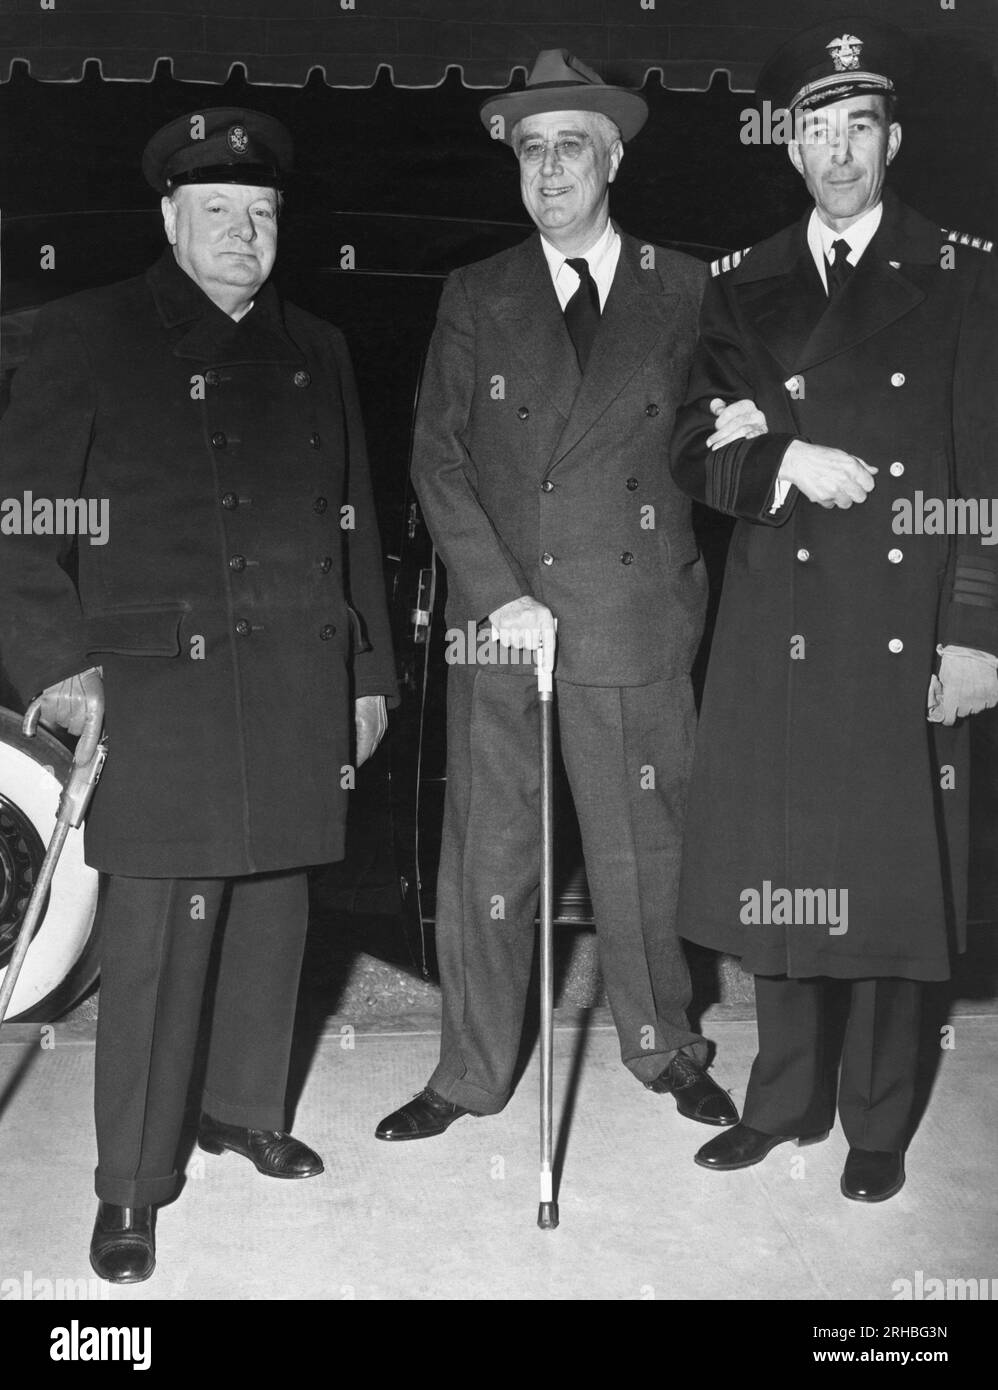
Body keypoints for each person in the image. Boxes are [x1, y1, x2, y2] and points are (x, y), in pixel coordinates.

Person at [0, 108, 397, 1280]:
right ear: (169, 219)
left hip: (289, 675)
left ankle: (243, 1109)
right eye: (216, 212)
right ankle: (132, 1183)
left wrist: (367, 671)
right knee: (161, 934)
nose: (242, 233)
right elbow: (21, 525)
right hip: (150, 688)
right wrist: (63, 671)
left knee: (274, 907)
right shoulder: (86, 333)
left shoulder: (317, 344)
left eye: (261, 214)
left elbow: (353, 520)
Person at [376, 50, 761, 1144]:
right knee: (490, 852)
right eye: (531, 151)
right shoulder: (477, 292)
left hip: (635, 615)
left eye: (570, 148)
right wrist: (500, 598)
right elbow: (435, 461)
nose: (549, 170)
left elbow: (731, 424)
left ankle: (664, 1045)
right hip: (503, 628)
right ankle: (469, 1070)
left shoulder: (685, 287)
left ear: (613, 158)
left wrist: (748, 432)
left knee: (644, 848)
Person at [670, 19, 998, 1202]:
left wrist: (974, 628)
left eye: (859, 126)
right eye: (818, 130)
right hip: (774, 624)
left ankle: (873, 1121)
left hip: (904, 617)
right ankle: (780, 1102)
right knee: (779, 870)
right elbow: (691, 446)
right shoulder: (738, 282)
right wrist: (779, 465)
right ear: (789, 148)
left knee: (887, 876)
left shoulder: (963, 272)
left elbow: (986, 468)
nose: (840, 150)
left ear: (891, 138)